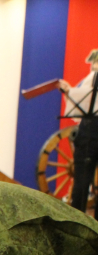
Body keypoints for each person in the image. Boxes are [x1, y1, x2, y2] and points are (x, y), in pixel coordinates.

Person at [59, 49, 98, 217]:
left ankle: (77, 223)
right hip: (91, 127)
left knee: (82, 180)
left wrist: (68, 90)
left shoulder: (93, 77)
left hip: (91, 128)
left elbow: (83, 100)